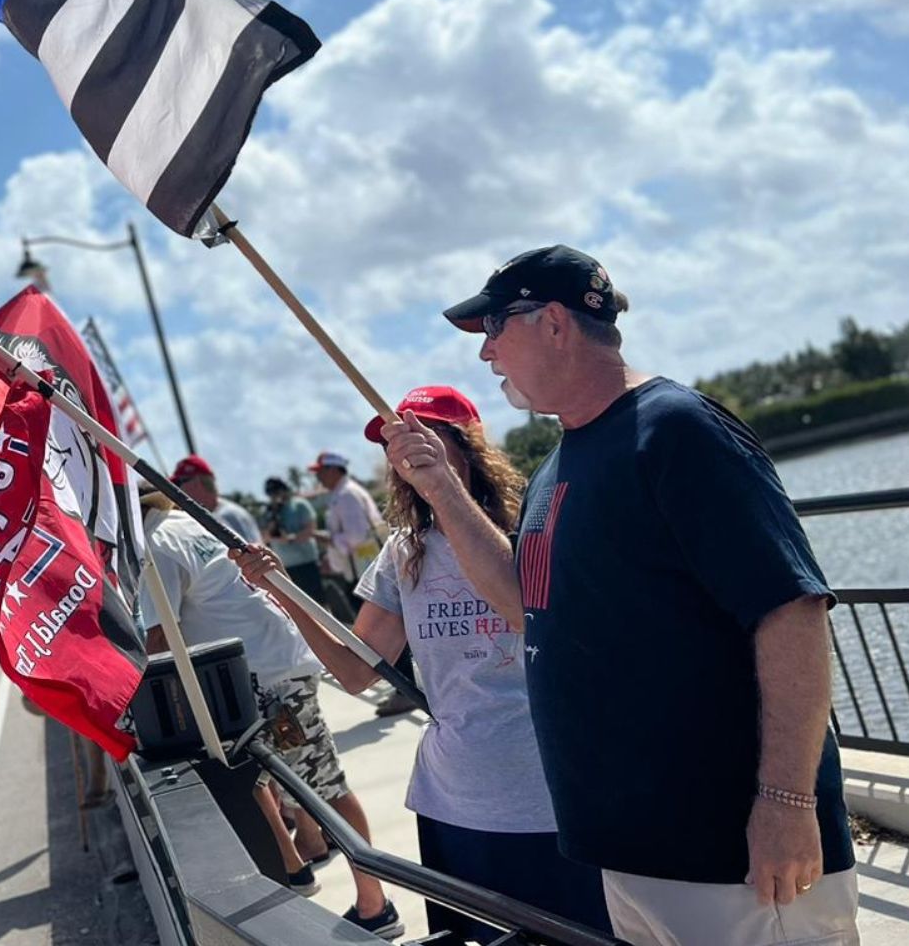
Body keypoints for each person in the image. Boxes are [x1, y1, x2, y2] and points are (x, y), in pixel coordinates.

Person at [404, 244, 857, 944]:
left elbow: (790, 611)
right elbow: (527, 605)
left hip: (726, 850)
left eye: (495, 328)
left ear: (554, 323)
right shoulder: (560, 461)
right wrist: (441, 488)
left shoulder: (677, 431)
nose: (486, 354)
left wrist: (786, 802)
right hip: (626, 853)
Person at [232, 386, 611, 942]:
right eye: (394, 442)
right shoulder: (403, 551)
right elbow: (357, 671)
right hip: (451, 800)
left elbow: (545, 623)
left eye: (423, 434)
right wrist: (281, 589)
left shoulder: (537, 524)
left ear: (468, 446)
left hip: (551, 796)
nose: (404, 451)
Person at [140, 486, 405, 940]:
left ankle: (375, 904)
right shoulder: (184, 526)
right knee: (264, 781)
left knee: (325, 790)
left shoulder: (154, 547)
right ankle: (296, 866)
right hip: (264, 670)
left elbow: (159, 640)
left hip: (268, 678)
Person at [310, 451, 383, 596]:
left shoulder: (346, 495)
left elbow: (356, 536)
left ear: (333, 470)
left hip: (365, 571)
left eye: (320, 471)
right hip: (365, 569)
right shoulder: (345, 492)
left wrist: (327, 539)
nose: (318, 477)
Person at [171, 454, 261, 543]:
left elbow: (255, 553)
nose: (176, 490)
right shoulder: (219, 513)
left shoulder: (229, 516)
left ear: (196, 483)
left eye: (178, 484)